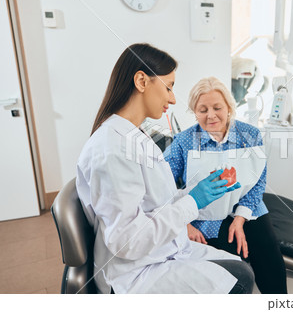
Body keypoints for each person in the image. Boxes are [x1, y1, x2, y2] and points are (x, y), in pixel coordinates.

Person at [76, 43, 254, 294]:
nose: (172, 98)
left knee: (240, 267)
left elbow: (152, 201)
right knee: (239, 280)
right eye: (168, 87)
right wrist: (192, 201)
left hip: (161, 252)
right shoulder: (112, 148)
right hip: (135, 272)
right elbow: (126, 241)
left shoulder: (133, 135)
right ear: (141, 81)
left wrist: (196, 192)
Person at [164, 77, 287, 294]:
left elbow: (258, 180)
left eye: (217, 107)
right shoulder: (184, 142)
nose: (211, 115)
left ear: (229, 108)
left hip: (246, 209)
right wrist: (184, 224)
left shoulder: (250, 135)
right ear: (194, 112)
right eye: (202, 109)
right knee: (231, 269)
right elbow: (162, 185)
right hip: (204, 216)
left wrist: (240, 219)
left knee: (269, 256)